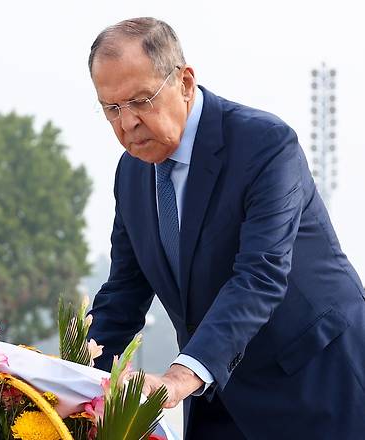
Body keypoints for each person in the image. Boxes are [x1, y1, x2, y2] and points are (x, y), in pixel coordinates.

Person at [86, 17, 365, 439]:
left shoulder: (266, 145)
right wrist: (70, 383)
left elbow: (260, 275)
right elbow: (124, 293)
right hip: (219, 395)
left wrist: (180, 377)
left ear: (184, 82)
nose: (127, 125)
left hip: (315, 385)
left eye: (141, 100)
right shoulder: (132, 174)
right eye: (112, 108)